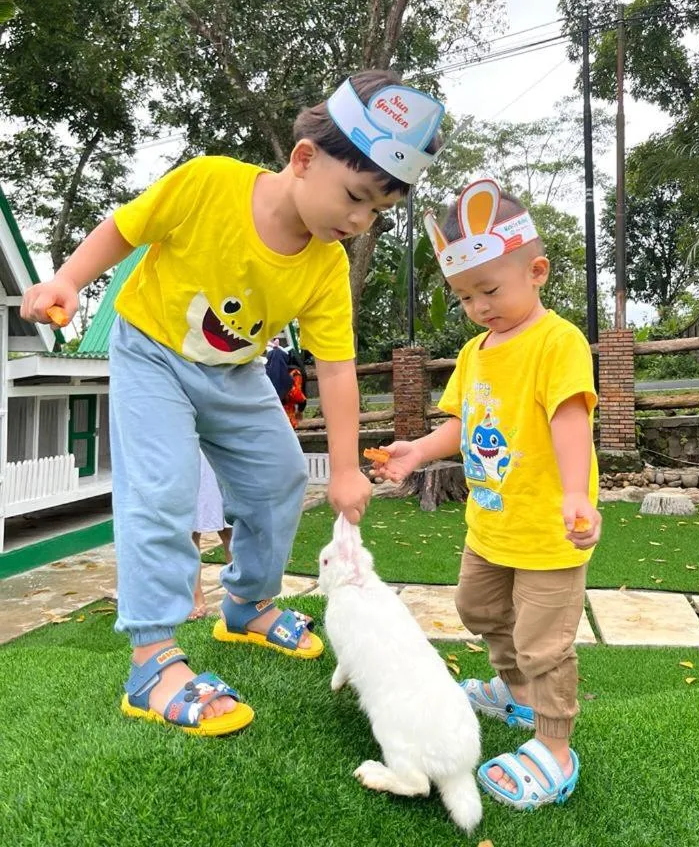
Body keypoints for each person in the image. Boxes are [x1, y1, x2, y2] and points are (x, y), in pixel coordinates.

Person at [21, 69, 445, 736]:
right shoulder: (208, 183)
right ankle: (153, 661)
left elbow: (334, 369)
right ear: (304, 160)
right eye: (357, 198)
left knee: (278, 479)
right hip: (152, 351)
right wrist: (69, 279)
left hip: (234, 372)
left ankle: (246, 603)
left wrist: (342, 468)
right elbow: (125, 229)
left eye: (377, 214)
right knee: (162, 489)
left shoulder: (327, 266)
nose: (361, 222)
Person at [372, 178, 601, 809]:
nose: (479, 306)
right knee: (477, 610)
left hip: (550, 531)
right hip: (490, 526)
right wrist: (417, 450)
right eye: (465, 296)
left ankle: (556, 749)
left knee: (544, 644)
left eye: (490, 290)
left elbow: (570, 418)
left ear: (537, 271)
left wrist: (577, 494)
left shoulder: (558, 342)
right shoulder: (474, 353)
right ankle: (517, 694)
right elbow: (462, 423)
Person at [189, 452, 232, 621]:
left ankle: (238, 595)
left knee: (231, 528)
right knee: (192, 529)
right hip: (190, 450)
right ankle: (194, 594)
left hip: (221, 447)